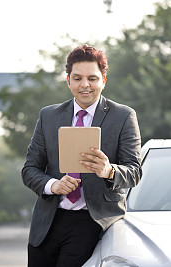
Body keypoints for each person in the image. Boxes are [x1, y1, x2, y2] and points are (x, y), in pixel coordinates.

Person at [22, 44, 142, 267]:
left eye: (92, 78)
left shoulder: (123, 116)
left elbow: (134, 172)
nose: (84, 85)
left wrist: (109, 171)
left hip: (93, 221)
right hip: (48, 221)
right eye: (77, 78)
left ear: (103, 80)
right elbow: (29, 170)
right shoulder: (48, 116)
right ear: (68, 80)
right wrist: (53, 185)